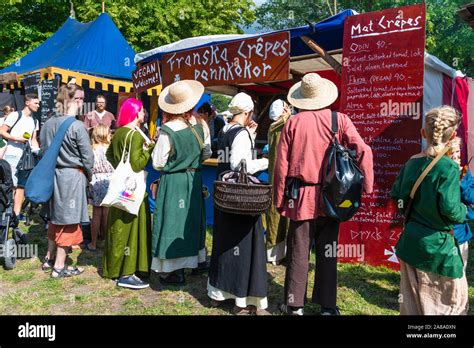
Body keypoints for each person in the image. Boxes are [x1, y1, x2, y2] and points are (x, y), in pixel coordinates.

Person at [273, 73, 374, 315]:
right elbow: (364, 150)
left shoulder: (293, 123)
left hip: (301, 198)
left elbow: (281, 166)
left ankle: (294, 304)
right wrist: (367, 186)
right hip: (333, 198)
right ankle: (328, 306)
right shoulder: (340, 120)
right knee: (328, 250)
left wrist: (278, 199)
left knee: (299, 251)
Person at [392, 106, 468, 315]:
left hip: (411, 242)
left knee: (412, 306)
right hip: (438, 249)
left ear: (424, 133)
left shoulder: (411, 163)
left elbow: (397, 197)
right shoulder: (449, 168)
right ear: (453, 135)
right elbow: (451, 210)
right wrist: (465, 210)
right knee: (447, 307)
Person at [207, 92, 270, 315]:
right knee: (241, 247)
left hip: (224, 195)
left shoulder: (226, 129)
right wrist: (265, 161)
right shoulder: (240, 133)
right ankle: (240, 300)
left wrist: (249, 136)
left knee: (224, 244)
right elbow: (238, 164)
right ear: (247, 112)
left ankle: (217, 293)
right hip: (239, 198)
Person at [151, 80, 211, 285]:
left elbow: (158, 163)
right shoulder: (200, 125)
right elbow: (207, 153)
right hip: (194, 180)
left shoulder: (167, 130)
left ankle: (174, 271)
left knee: (173, 223)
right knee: (191, 221)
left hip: (174, 182)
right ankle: (198, 262)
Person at [40, 83, 94, 278]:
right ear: (70, 100)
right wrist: (89, 175)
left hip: (52, 175)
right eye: (78, 98)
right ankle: (59, 266)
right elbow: (88, 158)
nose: (81, 102)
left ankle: (49, 258)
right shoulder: (76, 125)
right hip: (71, 177)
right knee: (69, 221)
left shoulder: (47, 124)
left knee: (55, 218)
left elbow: (44, 151)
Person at [103, 98, 154, 289]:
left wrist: (119, 169)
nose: (143, 114)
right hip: (134, 191)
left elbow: (109, 155)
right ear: (136, 113)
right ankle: (129, 272)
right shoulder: (136, 136)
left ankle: (114, 268)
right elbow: (137, 164)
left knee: (118, 227)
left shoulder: (118, 132)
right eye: (141, 111)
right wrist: (149, 150)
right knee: (133, 229)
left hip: (120, 189)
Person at [0, 95, 40, 220]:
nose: (38, 106)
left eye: (38, 103)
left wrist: (38, 152)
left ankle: (16, 215)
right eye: (36, 103)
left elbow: (33, 139)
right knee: (10, 185)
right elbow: (2, 131)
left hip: (25, 158)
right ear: (27, 102)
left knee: (21, 186)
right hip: (11, 154)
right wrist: (17, 139)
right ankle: (6, 212)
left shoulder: (35, 121)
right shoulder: (15, 115)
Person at [265, 99, 291, 265]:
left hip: (274, 176)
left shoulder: (272, 127)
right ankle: (286, 252)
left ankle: (274, 254)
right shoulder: (285, 125)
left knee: (275, 212)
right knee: (286, 213)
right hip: (285, 175)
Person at [87, 124, 114, 251]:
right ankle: (107, 239)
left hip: (96, 180)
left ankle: (93, 243)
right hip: (110, 180)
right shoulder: (110, 148)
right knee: (107, 212)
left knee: (96, 213)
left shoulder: (91, 149)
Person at [449, 137, 473, 276]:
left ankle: (459, 296)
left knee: (459, 270)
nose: (456, 156)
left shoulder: (464, 172)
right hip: (442, 231)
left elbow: (472, 196)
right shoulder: (440, 173)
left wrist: (462, 182)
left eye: (458, 151)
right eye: (452, 152)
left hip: (460, 230)